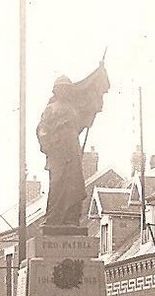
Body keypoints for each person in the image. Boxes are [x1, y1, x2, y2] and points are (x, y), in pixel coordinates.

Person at [36, 60, 110, 230]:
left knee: (74, 184)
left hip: (72, 151)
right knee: (57, 184)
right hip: (57, 152)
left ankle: (71, 217)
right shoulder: (50, 109)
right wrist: (49, 144)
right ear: (57, 90)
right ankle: (54, 218)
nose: (64, 91)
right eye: (61, 88)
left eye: (66, 88)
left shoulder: (73, 108)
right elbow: (42, 129)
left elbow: (82, 123)